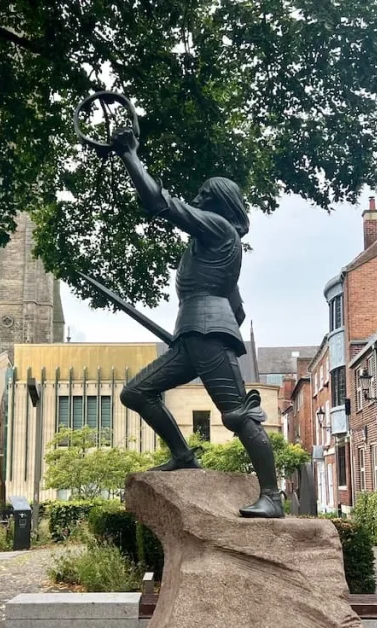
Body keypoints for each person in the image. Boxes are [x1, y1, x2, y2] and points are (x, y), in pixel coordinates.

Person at [110, 126, 283, 519]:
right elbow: (236, 308)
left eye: (204, 195)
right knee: (137, 392)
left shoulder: (217, 228)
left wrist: (129, 155)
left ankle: (271, 495)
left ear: (218, 202)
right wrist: (195, 327)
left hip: (204, 333)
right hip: (196, 333)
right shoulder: (214, 243)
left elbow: (158, 201)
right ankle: (184, 455)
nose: (197, 199)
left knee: (237, 414)